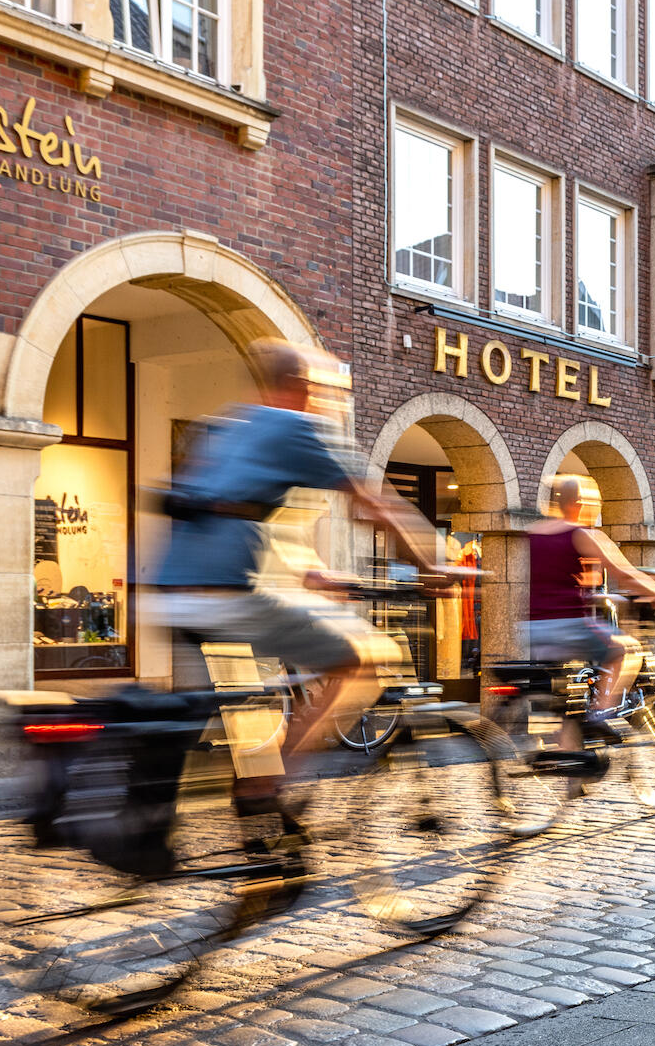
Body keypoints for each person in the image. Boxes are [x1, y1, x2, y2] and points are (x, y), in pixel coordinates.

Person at [149, 339, 452, 809]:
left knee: (240, 698)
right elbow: (375, 505)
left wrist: (313, 573)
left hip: (170, 592)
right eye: (317, 388)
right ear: (296, 385)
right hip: (225, 596)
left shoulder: (227, 425)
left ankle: (251, 804)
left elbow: (240, 513)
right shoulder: (296, 427)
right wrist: (431, 562)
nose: (322, 399)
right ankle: (267, 784)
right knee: (366, 657)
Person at [526, 476, 655, 737]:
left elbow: (552, 580)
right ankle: (599, 713)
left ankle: (571, 763)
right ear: (579, 503)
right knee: (627, 650)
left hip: (534, 629)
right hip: (569, 626)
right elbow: (624, 573)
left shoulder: (535, 533)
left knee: (567, 704)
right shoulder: (580, 534)